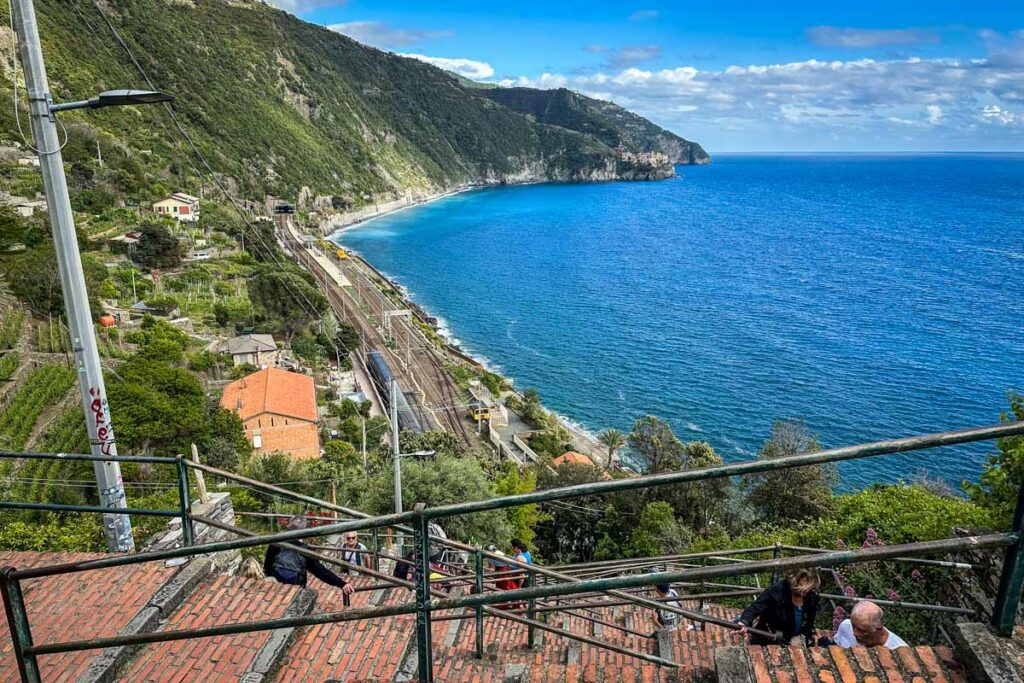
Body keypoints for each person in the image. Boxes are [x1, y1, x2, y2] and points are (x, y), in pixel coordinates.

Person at [263, 516, 353, 594]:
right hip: (295, 589)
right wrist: (341, 584)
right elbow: (321, 571)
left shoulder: (276, 543)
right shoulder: (304, 550)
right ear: (304, 531)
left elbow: (267, 567)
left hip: (275, 588)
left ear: (289, 527)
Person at [736, 568, 820, 646]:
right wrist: (744, 622)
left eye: (809, 587)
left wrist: (810, 633)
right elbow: (755, 607)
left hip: (793, 641)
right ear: (795, 579)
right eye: (803, 587)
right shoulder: (778, 590)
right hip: (768, 638)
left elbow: (808, 619)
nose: (806, 590)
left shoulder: (812, 596)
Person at [833, 601, 908, 649]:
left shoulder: (898, 649)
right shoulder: (846, 626)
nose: (854, 633)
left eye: (862, 630)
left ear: (878, 627)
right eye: (853, 626)